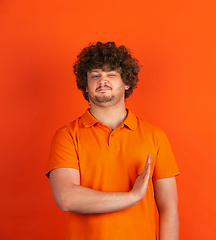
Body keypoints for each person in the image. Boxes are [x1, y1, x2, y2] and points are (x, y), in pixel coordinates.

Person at [46, 42, 180, 240]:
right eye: (95, 75)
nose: (103, 81)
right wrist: (132, 197)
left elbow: (168, 208)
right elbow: (66, 198)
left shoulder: (155, 136)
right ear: (85, 84)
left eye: (111, 75)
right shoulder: (67, 135)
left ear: (126, 82)